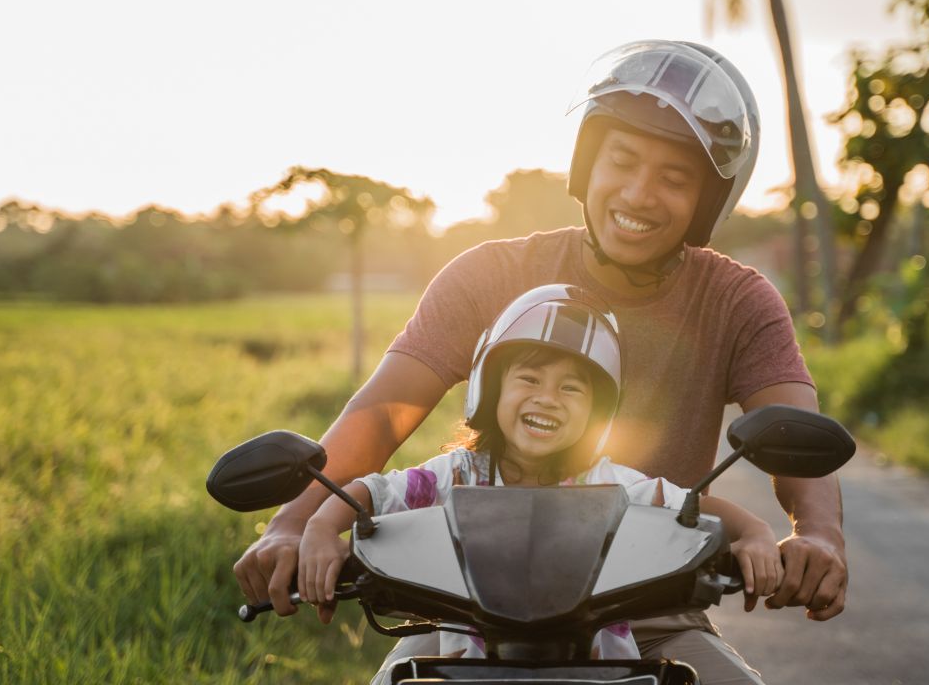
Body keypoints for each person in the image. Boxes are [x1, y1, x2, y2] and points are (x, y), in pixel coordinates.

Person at [234, 40, 847, 683]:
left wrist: (820, 535)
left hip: (649, 611)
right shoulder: (489, 272)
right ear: (587, 164)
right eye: (623, 160)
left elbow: (791, 429)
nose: (639, 194)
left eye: (674, 177)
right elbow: (383, 414)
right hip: (470, 612)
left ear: (706, 199)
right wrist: (293, 524)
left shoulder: (737, 299)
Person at [296, 285, 783, 673]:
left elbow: (690, 506)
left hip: (603, 674)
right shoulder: (457, 474)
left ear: (598, 413)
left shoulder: (612, 486)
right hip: (466, 671)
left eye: (572, 388)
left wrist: (757, 535)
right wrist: (318, 532)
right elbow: (371, 494)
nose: (548, 398)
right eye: (529, 379)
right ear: (490, 387)